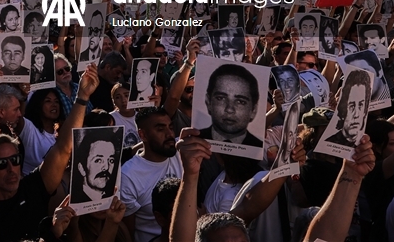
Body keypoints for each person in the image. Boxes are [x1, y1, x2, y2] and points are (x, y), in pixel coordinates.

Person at [0, 65, 98, 242]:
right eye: (1, 163)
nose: (11, 169)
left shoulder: (33, 190)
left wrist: (83, 98)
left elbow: (64, 147)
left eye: (15, 160)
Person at [119, 107, 184, 242]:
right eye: (160, 129)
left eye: (171, 127)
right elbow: (127, 232)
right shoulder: (128, 176)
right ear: (143, 135)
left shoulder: (182, 154)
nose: (169, 134)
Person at [198, 64, 263, 147]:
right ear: (208, 102)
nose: (229, 109)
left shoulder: (260, 150)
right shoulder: (193, 141)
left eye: (240, 102)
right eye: (221, 98)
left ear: (253, 110)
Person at [323, 68, 370, 147]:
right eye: (351, 106)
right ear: (343, 109)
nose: (356, 114)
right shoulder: (328, 143)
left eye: (361, 105)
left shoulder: (365, 145)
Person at [70, 131, 118, 205]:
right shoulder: (74, 200)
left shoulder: (113, 198)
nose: (106, 167)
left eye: (111, 160)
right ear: (82, 168)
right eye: (98, 160)